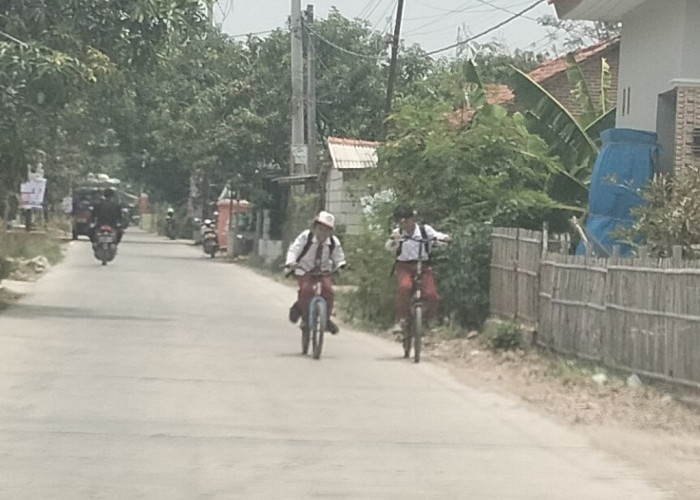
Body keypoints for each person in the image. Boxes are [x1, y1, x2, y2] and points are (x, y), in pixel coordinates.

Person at [385, 205, 450, 332]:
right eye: (401, 222)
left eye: (407, 221)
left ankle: (431, 320)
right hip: (404, 266)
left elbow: (438, 237)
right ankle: (401, 319)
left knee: (431, 294)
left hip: (423, 265)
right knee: (405, 287)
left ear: (412, 219)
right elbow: (389, 246)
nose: (405, 225)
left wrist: (445, 239)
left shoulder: (424, 230)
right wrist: (394, 240)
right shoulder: (398, 233)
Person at [285, 211, 346, 335]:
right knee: (306, 290)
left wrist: (340, 266)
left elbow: (339, 257)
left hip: (323, 272)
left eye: (326, 231)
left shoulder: (333, 242)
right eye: (320, 229)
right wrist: (291, 262)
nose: (322, 233)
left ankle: (326, 319)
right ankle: (300, 309)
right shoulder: (306, 237)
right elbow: (294, 250)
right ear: (314, 228)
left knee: (328, 291)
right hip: (304, 270)